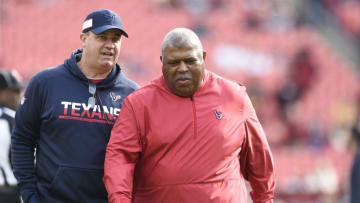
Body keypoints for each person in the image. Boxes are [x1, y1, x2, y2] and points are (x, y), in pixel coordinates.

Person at [104, 28, 275, 203]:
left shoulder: (234, 96)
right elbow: (119, 158)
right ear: (162, 62)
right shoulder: (139, 104)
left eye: (190, 61)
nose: (182, 69)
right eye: (174, 63)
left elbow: (260, 160)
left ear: (203, 57)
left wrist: (265, 199)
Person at [11, 9, 139, 203]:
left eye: (116, 39)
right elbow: (22, 140)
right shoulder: (45, 83)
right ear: (84, 38)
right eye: (102, 37)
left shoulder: (132, 94)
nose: (110, 45)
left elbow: (136, 158)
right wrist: (29, 194)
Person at [0, 70, 24, 203]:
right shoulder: (13, 120)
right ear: (2, 93)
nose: (19, 96)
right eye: (15, 91)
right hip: (8, 193)